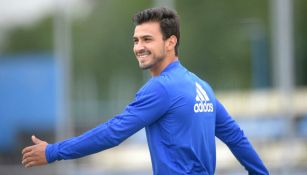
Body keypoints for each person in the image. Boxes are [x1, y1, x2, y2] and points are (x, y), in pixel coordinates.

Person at [21, 7, 269, 175]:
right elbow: (235, 137)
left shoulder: (161, 88)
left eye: (147, 39)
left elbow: (113, 132)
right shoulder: (200, 86)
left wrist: (54, 151)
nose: (139, 47)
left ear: (170, 42)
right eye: (136, 40)